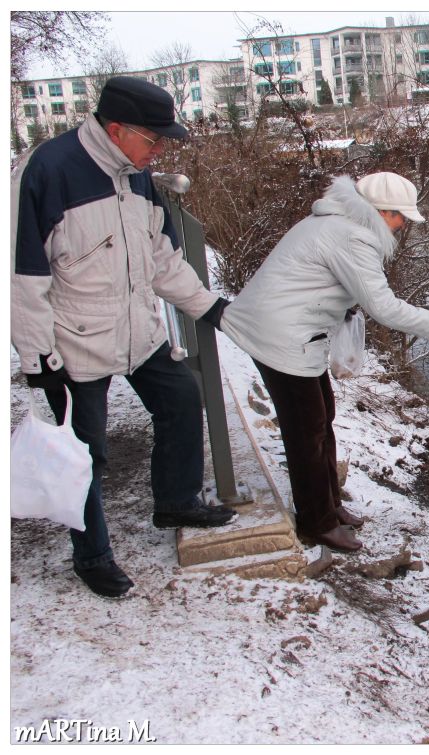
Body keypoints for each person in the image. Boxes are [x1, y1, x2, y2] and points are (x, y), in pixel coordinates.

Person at [11, 76, 237, 599]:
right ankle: (91, 555)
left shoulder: (137, 173)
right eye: (153, 140)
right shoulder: (48, 171)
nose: (158, 151)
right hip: (73, 338)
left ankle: (176, 500)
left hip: (138, 328)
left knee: (181, 398)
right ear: (116, 129)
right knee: (86, 450)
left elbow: (161, 257)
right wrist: (36, 357)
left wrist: (208, 306)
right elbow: (23, 277)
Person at [220, 172, 429, 552]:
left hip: (296, 333)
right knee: (306, 430)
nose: (403, 225)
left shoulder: (334, 222)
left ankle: (330, 504)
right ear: (381, 212)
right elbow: (382, 306)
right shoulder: (353, 236)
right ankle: (316, 522)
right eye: (400, 216)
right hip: (281, 337)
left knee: (323, 418)